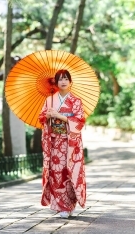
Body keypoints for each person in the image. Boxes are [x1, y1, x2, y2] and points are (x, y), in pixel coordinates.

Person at [38, 69, 86, 219]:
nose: (63, 81)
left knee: (68, 171)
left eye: (66, 79)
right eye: (60, 79)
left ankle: (69, 204)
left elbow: (80, 121)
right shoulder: (49, 100)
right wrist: (47, 116)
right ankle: (60, 205)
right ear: (56, 83)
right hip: (54, 141)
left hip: (69, 142)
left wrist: (60, 116)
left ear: (70, 82)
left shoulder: (76, 101)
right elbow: (41, 117)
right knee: (56, 173)